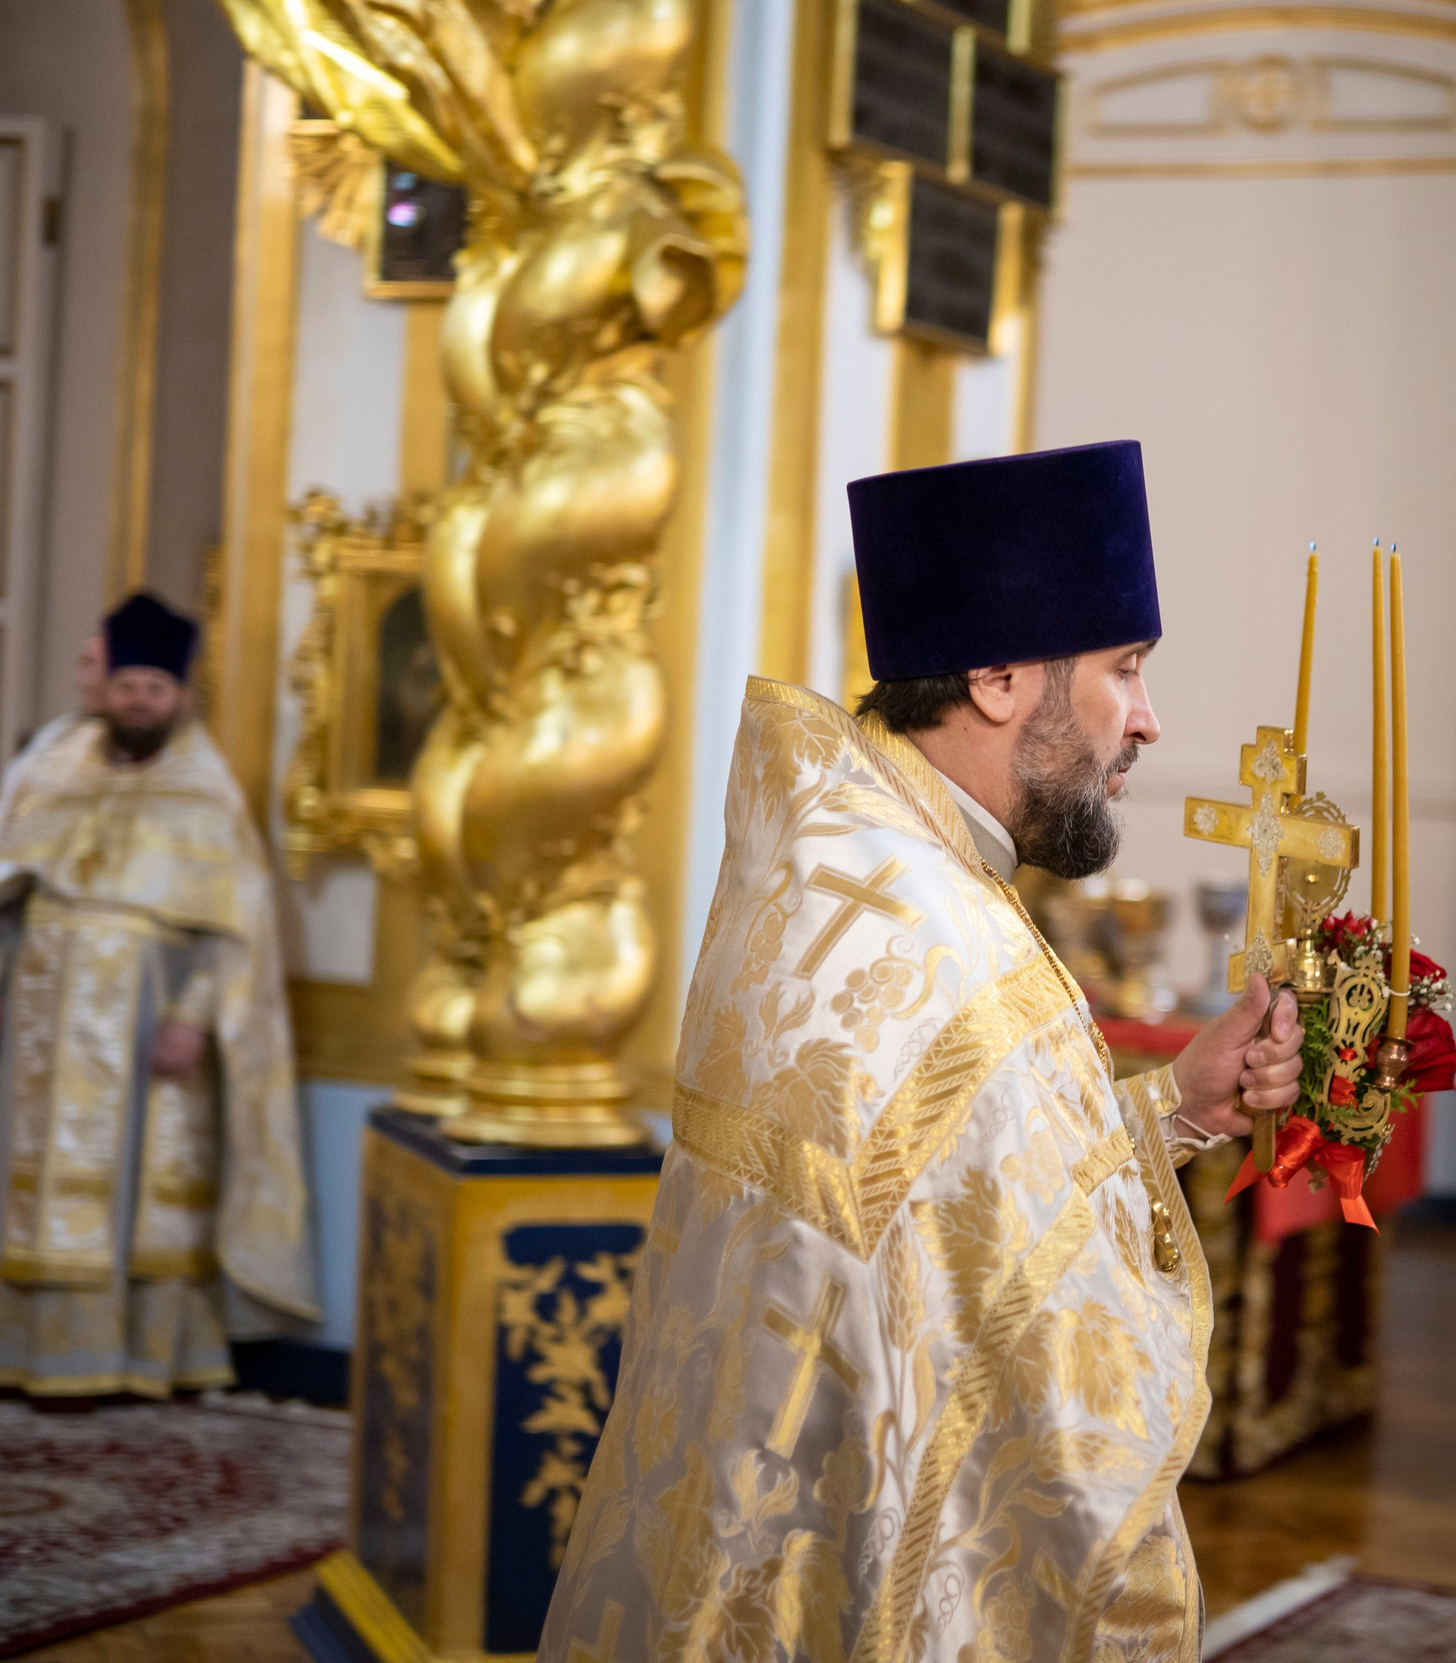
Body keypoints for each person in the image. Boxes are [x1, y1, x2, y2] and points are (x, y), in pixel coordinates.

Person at [539, 442, 1305, 1662]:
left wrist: (1178, 1104)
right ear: (1000, 678)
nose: (1149, 720)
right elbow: (1044, 1358)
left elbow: (958, 1206)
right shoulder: (940, 936)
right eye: (1126, 669)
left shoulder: (852, 852)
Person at [0, 592, 315, 1402]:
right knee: (20, 1186)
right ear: (104, 687)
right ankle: (12, 1354)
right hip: (35, 1024)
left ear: (180, 697)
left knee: (130, 1200)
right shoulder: (52, 772)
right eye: (126, 685)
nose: (138, 701)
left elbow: (235, 930)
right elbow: (1, 891)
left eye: (155, 688)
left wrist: (192, 1016)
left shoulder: (208, 795)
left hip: (145, 1025)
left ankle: (132, 1360)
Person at [0, 629, 107, 853]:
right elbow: (4, 804)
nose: (77, 679)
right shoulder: (57, 732)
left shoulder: (130, 749)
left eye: (89, 663)